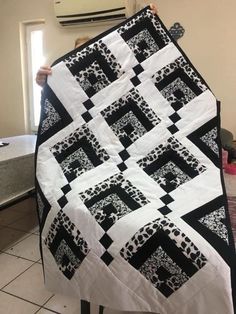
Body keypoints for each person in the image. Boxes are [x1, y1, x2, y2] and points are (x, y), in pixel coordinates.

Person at [35, 3, 158, 87]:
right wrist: (45, 84)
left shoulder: (112, 73)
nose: (83, 56)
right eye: (78, 53)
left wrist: (148, 22)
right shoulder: (68, 80)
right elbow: (56, 106)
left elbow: (142, 63)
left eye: (87, 51)